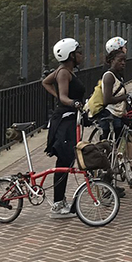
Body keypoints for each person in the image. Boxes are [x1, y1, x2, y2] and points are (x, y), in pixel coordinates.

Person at [42, 38, 85, 218]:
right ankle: (58, 205)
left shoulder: (65, 70)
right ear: (71, 55)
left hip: (69, 119)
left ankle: (61, 201)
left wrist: (59, 96)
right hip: (64, 121)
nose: (82, 55)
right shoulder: (63, 73)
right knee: (64, 161)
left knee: (67, 160)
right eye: (79, 52)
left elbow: (45, 82)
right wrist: (72, 102)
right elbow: (65, 97)